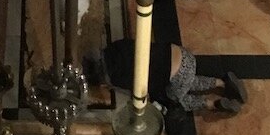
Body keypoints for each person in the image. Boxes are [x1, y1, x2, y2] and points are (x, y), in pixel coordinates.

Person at [84, 40, 247, 115]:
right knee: (184, 80)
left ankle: (212, 103)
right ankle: (222, 83)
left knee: (177, 100)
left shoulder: (116, 78)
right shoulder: (115, 47)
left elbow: (142, 89)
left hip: (177, 77)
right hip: (184, 55)